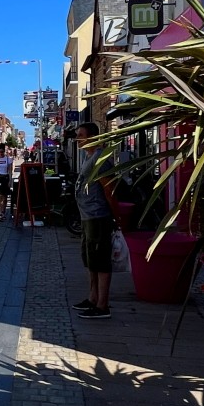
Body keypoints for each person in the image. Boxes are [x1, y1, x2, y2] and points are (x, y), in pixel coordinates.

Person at [73, 122, 116, 319]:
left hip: (98, 216)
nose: (77, 139)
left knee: (100, 261)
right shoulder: (88, 157)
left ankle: (102, 305)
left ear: (92, 137)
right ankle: (92, 298)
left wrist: (116, 214)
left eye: (80, 135)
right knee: (91, 260)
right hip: (87, 216)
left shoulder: (100, 158)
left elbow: (109, 189)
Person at [0, 143, 14, 222]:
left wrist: (10, 181)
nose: (0, 153)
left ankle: (3, 212)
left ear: (4, 152)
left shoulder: (8, 159)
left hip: (5, 177)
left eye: (2, 152)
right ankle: (0, 213)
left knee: (4, 197)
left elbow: (10, 171)